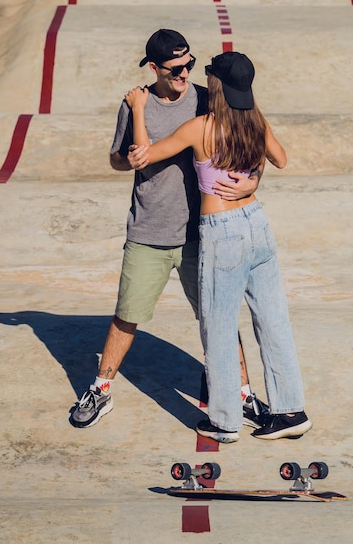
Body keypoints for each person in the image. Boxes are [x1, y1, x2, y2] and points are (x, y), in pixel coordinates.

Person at [70, 30, 264, 429]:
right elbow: (117, 161)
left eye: (189, 65)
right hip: (149, 232)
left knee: (218, 317)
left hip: (204, 232)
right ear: (154, 68)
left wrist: (254, 179)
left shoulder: (207, 98)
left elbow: (250, 138)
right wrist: (130, 158)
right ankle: (101, 389)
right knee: (127, 315)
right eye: (176, 68)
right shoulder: (136, 104)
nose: (184, 73)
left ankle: (241, 393)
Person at [126, 51, 312, 442]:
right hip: (257, 224)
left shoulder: (201, 128)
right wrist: (253, 179)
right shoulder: (255, 121)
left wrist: (139, 109)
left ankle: (226, 421)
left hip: (222, 230)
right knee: (273, 320)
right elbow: (280, 157)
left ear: (216, 86)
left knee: (220, 328)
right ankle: (290, 411)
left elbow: (144, 159)